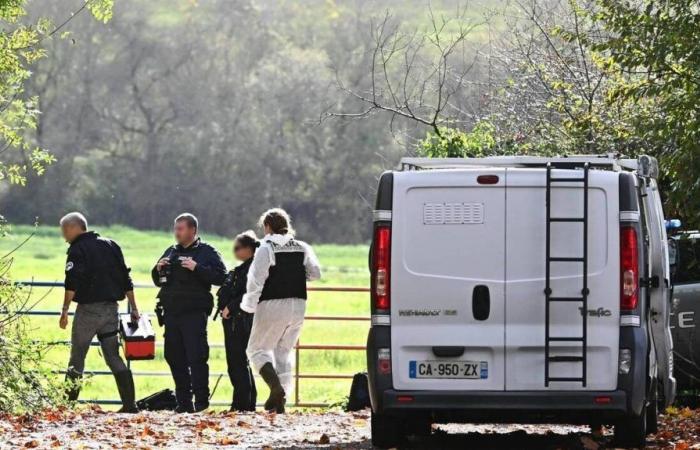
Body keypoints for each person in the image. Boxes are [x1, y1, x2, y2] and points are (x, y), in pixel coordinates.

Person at [241, 208, 321, 413]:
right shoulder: (302, 247)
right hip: (298, 304)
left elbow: (256, 280)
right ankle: (280, 402)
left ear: (267, 227)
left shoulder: (266, 248)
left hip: (272, 304)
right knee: (283, 352)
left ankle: (275, 388)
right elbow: (315, 274)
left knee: (256, 350)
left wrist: (248, 306)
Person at [58, 212, 140, 413]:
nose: (64, 236)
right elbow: (125, 278)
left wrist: (65, 309)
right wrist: (134, 307)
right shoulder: (111, 245)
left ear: (72, 228)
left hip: (88, 311)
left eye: (64, 231)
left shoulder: (78, 249)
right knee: (113, 356)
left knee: (77, 357)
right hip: (111, 310)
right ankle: (130, 405)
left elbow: (72, 282)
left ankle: (67, 406)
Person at [151, 213, 226, 413]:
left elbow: (221, 277)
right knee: (173, 356)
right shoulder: (171, 251)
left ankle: (201, 403)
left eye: (181, 229)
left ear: (193, 230)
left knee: (196, 357)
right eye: (175, 229)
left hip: (194, 313)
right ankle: (184, 403)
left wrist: (197, 268)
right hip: (172, 313)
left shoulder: (206, 252)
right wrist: (158, 269)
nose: (177, 232)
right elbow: (158, 280)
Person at [215, 231, 259, 412]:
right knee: (240, 363)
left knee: (237, 363)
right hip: (237, 320)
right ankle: (246, 403)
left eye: (238, 248)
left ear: (249, 249)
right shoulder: (245, 268)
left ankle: (241, 405)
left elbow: (249, 293)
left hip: (240, 320)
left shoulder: (252, 269)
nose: (235, 251)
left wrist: (231, 307)